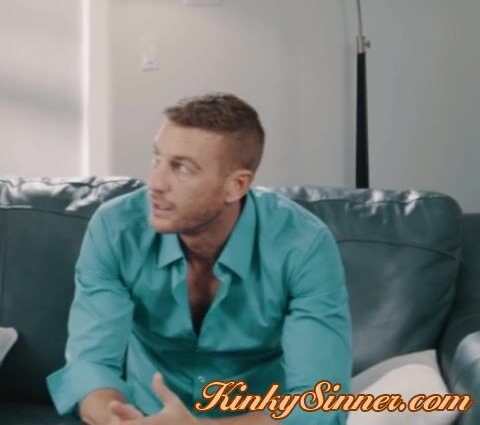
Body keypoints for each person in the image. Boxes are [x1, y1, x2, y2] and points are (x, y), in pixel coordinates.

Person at [46, 93, 352, 424]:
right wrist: (117, 419)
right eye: (157, 158)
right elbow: (91, 365)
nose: (155, 183)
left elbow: (320, 401)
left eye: (182, 168)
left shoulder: (303, 245)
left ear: (236, 185)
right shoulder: (116, 228)